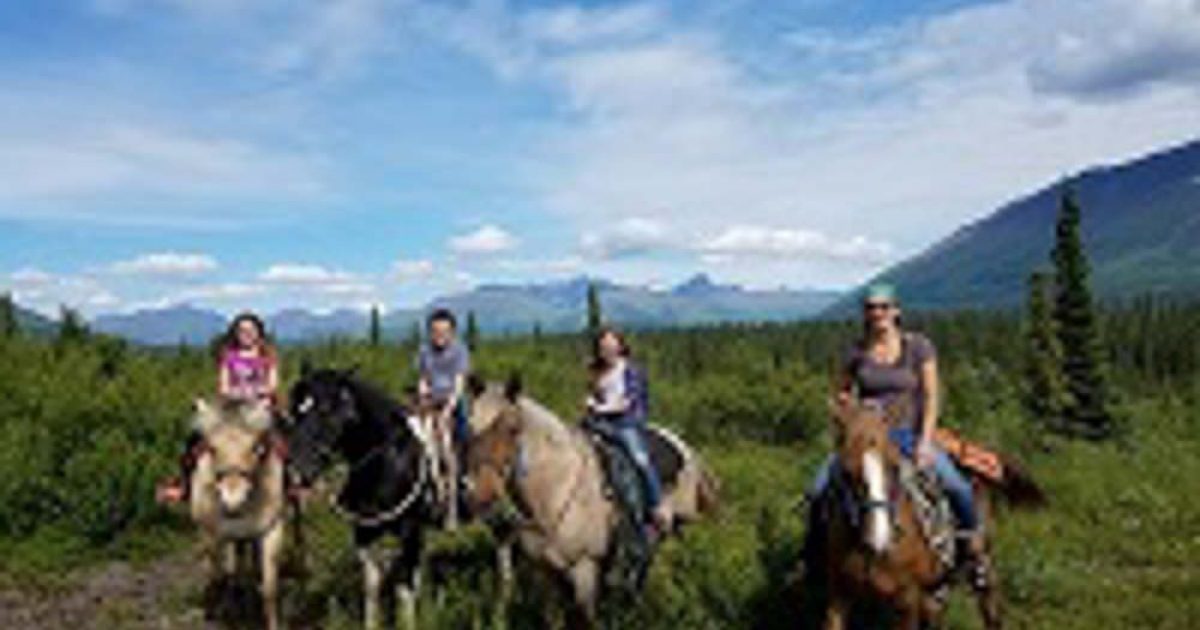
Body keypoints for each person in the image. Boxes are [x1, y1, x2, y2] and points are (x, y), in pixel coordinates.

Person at [808, 284, 983, 567]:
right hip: (865, 439)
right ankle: (814, 559)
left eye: (884, 307)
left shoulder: (918, 347)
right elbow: (840, 393)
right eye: (871, 308)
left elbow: (931, 395)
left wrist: (925, 441)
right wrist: (848, 411)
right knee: (818, 491)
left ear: (896, 311)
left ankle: (974, 550)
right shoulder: (856, 352)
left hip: (908, 434)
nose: (877, 313)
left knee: (955, 486)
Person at [157, 312, 280, 504]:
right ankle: (185, 483)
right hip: (234, 408)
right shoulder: (229, 357)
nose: (246, 334)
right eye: (242, 330)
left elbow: (271, 386)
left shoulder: (267, 357)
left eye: (250, 330)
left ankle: (293, 484)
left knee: (283, 441)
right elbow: (224, 388)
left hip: (260, 407)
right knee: (198, 437)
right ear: (235, 333)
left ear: (259, 333)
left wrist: (252, 394)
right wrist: (243, 393)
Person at [585, 327, 671, 534]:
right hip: (602, 421)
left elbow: (626, 402)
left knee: (639, 458)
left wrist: (599, 407)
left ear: (620, 345)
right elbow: (597, 397)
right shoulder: (599, 372)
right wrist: (590, 402)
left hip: (626, 421)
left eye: (611, 344)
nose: (607, 348)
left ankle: (657, 503)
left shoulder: (631, 370)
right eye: (603, 345)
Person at [415, 308, 471, 527]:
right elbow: (423, 379)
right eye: (435, 331)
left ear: (452, 332)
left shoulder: (460, 351)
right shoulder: (424, 352)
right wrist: (423, 396)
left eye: (444, 331)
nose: (439, 335)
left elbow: (459, 383)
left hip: (452, 400)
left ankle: (464, 476)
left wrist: (448, 409)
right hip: (431, 400)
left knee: (463, 432)